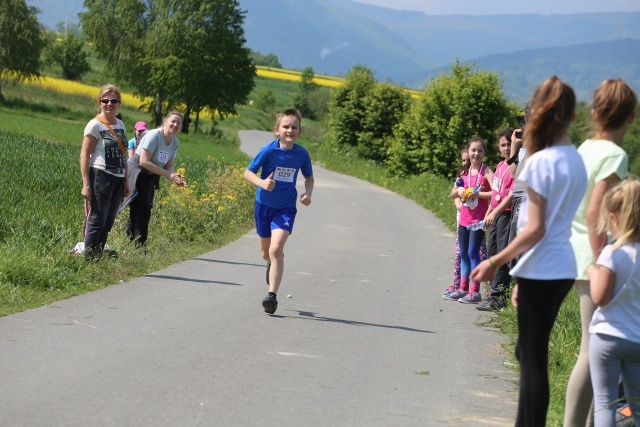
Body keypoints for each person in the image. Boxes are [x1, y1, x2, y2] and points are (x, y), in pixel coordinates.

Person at [471, 76, 587, 427]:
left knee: (533, 359)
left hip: (543, 267)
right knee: (527, 351)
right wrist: (521, 278)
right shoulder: (575, 159)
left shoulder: (539, 162)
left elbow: (535, 227)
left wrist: (494, 260)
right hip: (562, 266)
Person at [564, 78, 637, 427]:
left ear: (594, 113)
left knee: (594, 353)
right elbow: (596, 212)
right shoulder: (615, 154)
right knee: (589, 352)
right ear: (632, 118)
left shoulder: (585, 147)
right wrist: (601, 261)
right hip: (591, 259)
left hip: (573, 252)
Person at [244, 108, 314, 314]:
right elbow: (248, 172)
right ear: (277, 130)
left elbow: (309, 177)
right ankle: (272, 264)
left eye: (294, 127)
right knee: (266, 253)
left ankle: (271, 296)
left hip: (285, 208)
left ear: (299, 132)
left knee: (275, 250)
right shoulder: (268, 151)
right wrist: (262, 183)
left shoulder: (301, 154)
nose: (290, 130)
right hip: (263, 206)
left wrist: (307, 194)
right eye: (286, 126)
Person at [586, 178, 640, 427]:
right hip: (636, 340)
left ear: (615, 218)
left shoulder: (612, 253)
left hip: (607, 337)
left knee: (605, 403)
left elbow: (600, 297)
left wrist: (591, 271)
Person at [120, 111, 186, 247]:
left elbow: (169, 165)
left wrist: (174, 176)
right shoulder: (154, 135)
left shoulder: (174, 142)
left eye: (178, 123)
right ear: (165, 122)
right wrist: (168, 175)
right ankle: (139, 245)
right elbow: (144, 161)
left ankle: (130, 244)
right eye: (173, 121)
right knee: (143, 209)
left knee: (140, 208)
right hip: (137, 170)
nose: (175, 125)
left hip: (151, 174)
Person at [80, 83, 129, 262]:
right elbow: (85, 155)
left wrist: (126, 181)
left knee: (108, 221)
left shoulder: (120, 124)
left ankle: (97, 258)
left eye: (113, 100)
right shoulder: (95, 125)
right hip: (101, 175)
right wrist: (86, 184)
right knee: (97, 219)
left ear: (119, 103)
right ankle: (88, 261)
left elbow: (123, 155)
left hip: (118, 178)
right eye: (105, 100)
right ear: (99, 102)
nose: (109, 103)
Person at [445, 137, 493, 304]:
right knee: (464, 254)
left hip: (478, 220)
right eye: (473, 150)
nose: (476, 154)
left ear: (484, 153)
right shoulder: (464, 173)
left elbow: (496, 193)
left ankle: (475, 291)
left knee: (473, 253)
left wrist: (477, 194)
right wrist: (459, 189)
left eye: (480, 151)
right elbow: (452, 194)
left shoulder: (486, 171)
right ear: (468, 151)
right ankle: (463, 288)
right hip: (464, 220)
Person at [477, 129, 514, 311]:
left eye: (509, 144)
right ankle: (493, 292)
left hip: (506, 214)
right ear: (498, 147)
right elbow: (496, 194)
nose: (506, 148)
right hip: (495, 214)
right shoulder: (500, 166)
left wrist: (495, 213)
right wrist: (488, 214)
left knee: (501, 254)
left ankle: (499, 296)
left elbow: (510, 196)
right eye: (503, 145)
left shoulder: (515, 166)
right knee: (492, 252)